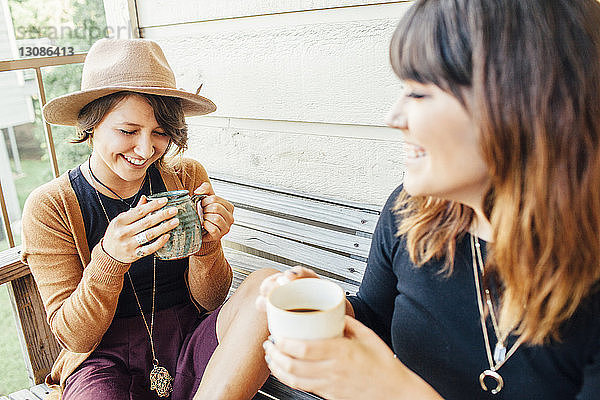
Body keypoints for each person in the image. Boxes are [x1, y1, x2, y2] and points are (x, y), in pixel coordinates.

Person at [257, 0, 600, 398]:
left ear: (521, 104)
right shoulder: (410, 215)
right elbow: (376, 318)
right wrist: (327, 311)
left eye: (418, 93)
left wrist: (390, 391)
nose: (393, 116)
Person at [21, 38, 273, 400]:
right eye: (127, 131)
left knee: (268, 288)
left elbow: (211, 300)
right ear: (91, 124)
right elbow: (75, 336)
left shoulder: (184, 178)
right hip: (102, 358)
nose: (145, 150)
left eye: (160, 133)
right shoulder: (51, 206)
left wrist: (207, 248)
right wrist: (109, 259)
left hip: (188, 335)